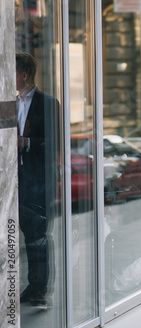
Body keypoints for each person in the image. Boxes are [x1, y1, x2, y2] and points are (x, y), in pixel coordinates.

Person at [16, 52, 58, 307]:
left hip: (39, 179)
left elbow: (56, 143)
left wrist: (27, 142)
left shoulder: (48, 103)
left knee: (37, 235)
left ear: (23, 74)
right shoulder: (6, 102)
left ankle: (39, 289)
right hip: (13, 180)